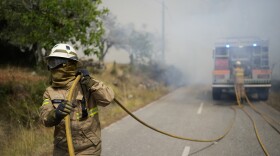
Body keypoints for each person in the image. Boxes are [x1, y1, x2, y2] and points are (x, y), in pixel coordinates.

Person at [39, 43, 114, 156]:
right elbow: (45, 118)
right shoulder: (50, 91)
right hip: (62, 149)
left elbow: (108, 98)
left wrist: (91, 83)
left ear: (68, 64)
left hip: (88, 148)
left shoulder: (86, 84)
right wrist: (55, 114)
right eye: (50, 63)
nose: (52, 67)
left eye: (55, 62)